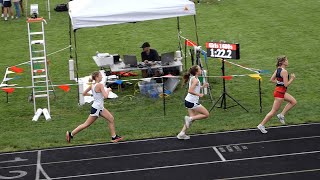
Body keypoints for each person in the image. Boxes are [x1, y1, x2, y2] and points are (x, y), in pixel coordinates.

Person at [66, 71, 123, 143]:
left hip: (99, 107)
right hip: (97, 108)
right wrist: (108, 90)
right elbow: (105, 96)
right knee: (86, 124)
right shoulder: (100, 85)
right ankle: (70, 134)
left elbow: (84, 93)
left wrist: (93, 95)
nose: (102, 77)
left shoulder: (92, 85)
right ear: (96, 77)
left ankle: (114, 137)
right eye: (100, 76)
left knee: (111, 118)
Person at [257, 56, 297, 133]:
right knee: (273, 111)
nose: (288, 61)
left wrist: (279, 82)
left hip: (279, 91)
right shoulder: (284, 72)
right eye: (286, 60)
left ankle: (281, 115)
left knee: (293, 101)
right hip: (280, 93)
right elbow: (286, 85)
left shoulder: (278, 69)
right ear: (282, 62)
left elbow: (272, 80)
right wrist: (292, 78)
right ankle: (261, 125)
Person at [177, 65, 209, 140]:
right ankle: (189, 119)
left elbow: (195, 88)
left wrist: (203, 86)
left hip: (188, 101)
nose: (201, 70)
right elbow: (190, 91)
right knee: (206, 114)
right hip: (192, 102)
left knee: (192, 118)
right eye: (200, 69)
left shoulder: (193, 78)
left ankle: (181, 134)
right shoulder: (196, 80)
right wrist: (199, 94)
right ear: (197, 72)